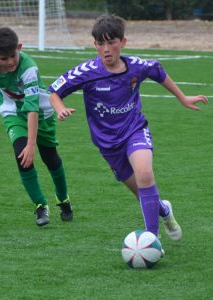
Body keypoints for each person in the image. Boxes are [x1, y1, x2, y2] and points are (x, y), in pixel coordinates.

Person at [48, 15, 208, 243]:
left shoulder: (137, 67)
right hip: (107, 144)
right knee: (141, 193)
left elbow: (159, 72)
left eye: (111, 42)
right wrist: (60, 107)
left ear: (123, 42)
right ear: (94, 45)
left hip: (135, 130)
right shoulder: (86, 72)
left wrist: (182, 98)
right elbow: (54, 91)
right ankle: (164, 210)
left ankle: (151, 239)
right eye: (100, 43)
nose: (106, 49)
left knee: (144, 174)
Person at [0, 27, 73, 227]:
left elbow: (33, 109)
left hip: (41, 113)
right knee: (22, 158)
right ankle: (40, 206)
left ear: (19, 48)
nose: (10, 62)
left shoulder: (29, 68)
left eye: (13, 56)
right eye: (3, 59)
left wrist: (32, 144)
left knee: (50, 158)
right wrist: (26, 147)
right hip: (13, 113)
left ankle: (63, 199)